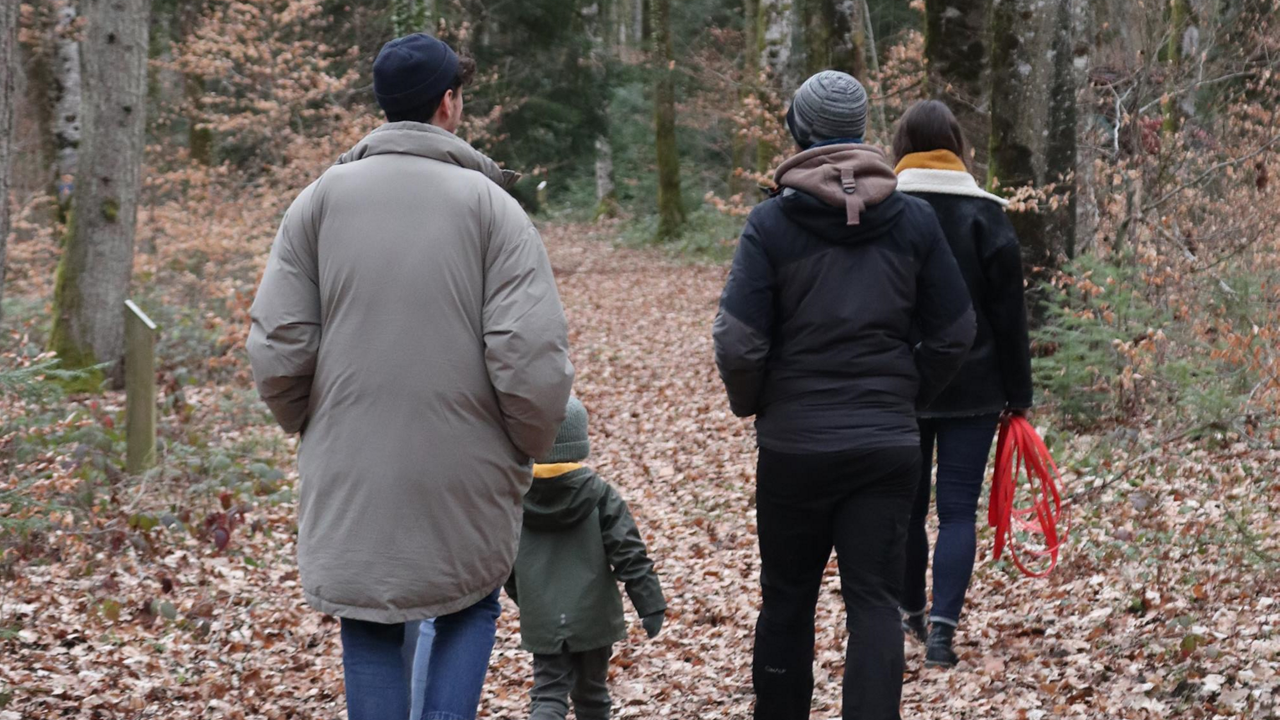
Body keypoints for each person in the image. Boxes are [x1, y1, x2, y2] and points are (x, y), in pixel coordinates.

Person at [246, 32, 574, 720]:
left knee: (369, 621)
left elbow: (279, 343)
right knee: (469, 602)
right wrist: (526, 440)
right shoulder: (494, 210)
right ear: (449, 104)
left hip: (351, 456)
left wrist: (310, 418)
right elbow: (530, 354)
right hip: (469, 460)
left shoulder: (317, 201)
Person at [713, 71, 976, 720]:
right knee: (874, 602)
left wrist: (757, 403)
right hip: (887, 446)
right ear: (862, 131)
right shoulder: (911, 220)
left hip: (794, 447)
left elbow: (739, 344)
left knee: (788, 600)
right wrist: (907, 394)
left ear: (799, 131)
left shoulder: (770, 225)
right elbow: (956, 332)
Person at [892, 99, 1033, 668]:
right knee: (956, 512)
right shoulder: (987, 217)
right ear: (957, 147)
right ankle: (943, 634)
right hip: (974, 390)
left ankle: (909, 613)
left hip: (903, 385)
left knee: (905, 510)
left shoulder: (885, 212)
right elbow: (1010, 316)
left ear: (901, 146)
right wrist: (1018, 397)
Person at [504, 396, 667, 720]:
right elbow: (629, 552)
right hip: (594, 616)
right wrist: (651, 604)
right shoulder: (599, 494)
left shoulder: (516, 498)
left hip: (543, 616)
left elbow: (504, 561)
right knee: (592, 695)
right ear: (580, 442)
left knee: (548, 695)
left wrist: (527, 600)